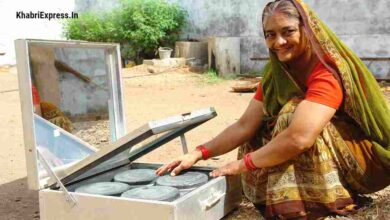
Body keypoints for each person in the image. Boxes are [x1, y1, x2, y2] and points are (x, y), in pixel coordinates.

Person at [156, 0, 390, 219]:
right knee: (262, 126)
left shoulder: (325, 72)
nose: (279, 42)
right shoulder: (276, 73)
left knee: (290, 114)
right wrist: (198, 153)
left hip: (363, 164)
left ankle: (326, 198)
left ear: (306, 30)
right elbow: (244, 125)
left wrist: (242, 164)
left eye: (288, 31)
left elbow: (299, 138)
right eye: (271, 35)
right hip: (315, 142)